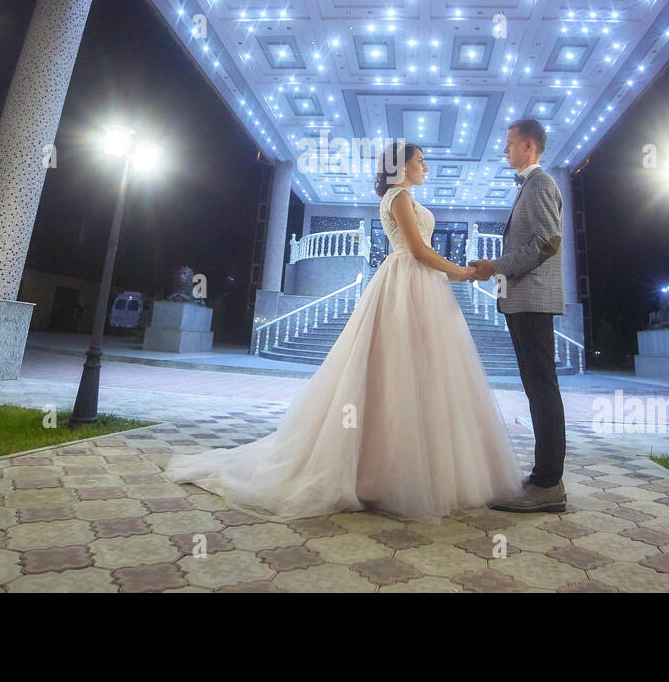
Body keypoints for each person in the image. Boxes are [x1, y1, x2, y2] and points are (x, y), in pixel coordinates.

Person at [165, 140, 524, 523]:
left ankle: (416, 466)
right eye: (420, 161)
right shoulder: (399, 198)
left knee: (423, 370)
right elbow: (417, 251)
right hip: (407, 281)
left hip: (421, 286)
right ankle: (382, 472)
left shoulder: (404, 197)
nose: (426, 167)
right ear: (401, 166)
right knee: (396, 367)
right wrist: (464, 272)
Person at [468, 119, 567, 513]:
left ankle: (548, 485)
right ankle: (545, 478)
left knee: (542, 388)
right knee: (537, 387)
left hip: (533, 300)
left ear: (529, 145)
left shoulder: (541, 183)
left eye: (509, 143)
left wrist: (497, 267)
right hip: (523, 301)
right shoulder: (527, 184)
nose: (504, 149)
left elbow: (548, 243)